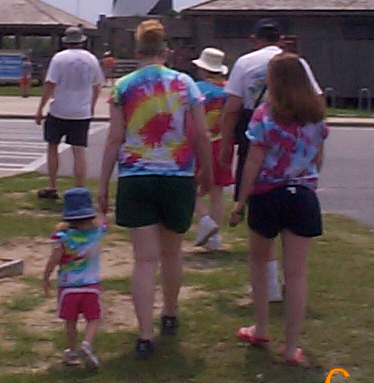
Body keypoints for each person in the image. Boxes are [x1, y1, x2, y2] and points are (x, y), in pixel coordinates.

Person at [98, 19, 213, 360]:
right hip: (177, 175)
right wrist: (206, 170)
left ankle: (144, 335)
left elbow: (114, 138)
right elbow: (201, 133)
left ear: (137, 51)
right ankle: (170, 312)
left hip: (136, 176)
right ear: (166, 51)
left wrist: (102, 183)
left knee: (144, 260)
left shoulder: (123, 86)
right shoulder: (185, 83)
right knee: (172, 253)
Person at [230, 53, 328, 366]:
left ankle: (261, 328)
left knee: (259, 264)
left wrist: (241, 201)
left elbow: (253, 161)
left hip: (268, 194)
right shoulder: (317, 118)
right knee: (296, 273)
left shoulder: (265, 115)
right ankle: (291, 347)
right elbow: (318, 160)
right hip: (303, 196)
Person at [218, 19, 321, 301]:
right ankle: (289, 280)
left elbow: (232, 108)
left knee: (260, 205)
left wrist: (225, 145)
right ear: (280, 38)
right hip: (295, 137)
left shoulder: (245, 62)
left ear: (256, 39)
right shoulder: (298, 63)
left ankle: (269, 281)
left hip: (257, 130)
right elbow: (317, 99)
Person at [34, 26, 104, 198]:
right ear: (82, 41)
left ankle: (52, 185)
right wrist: (92, 106)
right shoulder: (91, 59)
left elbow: (50, 84)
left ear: (66, 41)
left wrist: (41, 107)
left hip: (59, 109)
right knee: (78, 151)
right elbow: (97, 86)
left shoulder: (59, 58)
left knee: (52, 147)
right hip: (81, 112)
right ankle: (79, 188)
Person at [42, 187, 106, 369]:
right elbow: (104, 220)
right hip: (91, 286)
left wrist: (46, 276)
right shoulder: (97, 232)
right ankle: (86, 344)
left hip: (68, 287)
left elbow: (54, 259)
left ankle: (72, 351)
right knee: (94, 318)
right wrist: (100, 207)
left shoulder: (62, 238)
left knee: (70, 321)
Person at [190, 47, 231, 251]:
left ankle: (205, 220)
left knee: (189, 186)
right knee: (217, 191)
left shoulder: (197, 89)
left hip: (201, 143)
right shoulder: (229, 90)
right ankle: (215, 237)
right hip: (223, 142)